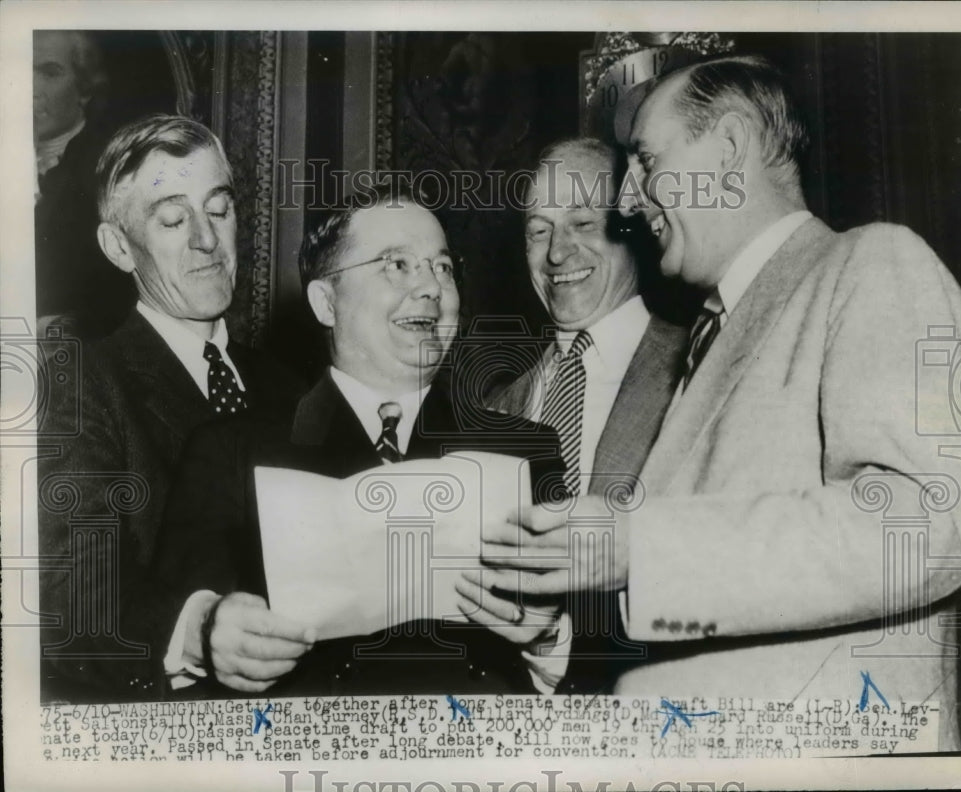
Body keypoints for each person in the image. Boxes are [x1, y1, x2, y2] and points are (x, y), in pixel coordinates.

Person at [467, 55, 961, 750]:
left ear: (728, 148)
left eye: (647, 161)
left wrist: (636, 545)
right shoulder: (710, 339)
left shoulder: (872, 262)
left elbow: (928, 529)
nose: (629, 201)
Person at [153, 186, 564, 696]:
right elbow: (157, 621)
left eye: (442, 268)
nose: (431, 288)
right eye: (397, 265)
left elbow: (598, 661)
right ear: (326, 302)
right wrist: (205, 632)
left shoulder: (526, 451)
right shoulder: (231, 453)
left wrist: (547, 636)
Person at [37, 114, 303, 702]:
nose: (206, 239)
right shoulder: (80, 384)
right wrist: (199, 632)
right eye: (174, 219)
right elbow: (70, 594)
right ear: (118, 247)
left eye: (219, 208)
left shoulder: (293, 389)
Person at [476, 138, 688, 692]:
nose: (556, 253)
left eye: (582, 223)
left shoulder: (699, 371)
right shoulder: (494, 408)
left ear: (632, 228)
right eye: (538, 230)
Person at [34, 30, 133, 335]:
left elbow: (119, 296)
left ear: (85, 89)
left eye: (50, 72)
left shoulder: (110, 171)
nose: (29, 87)